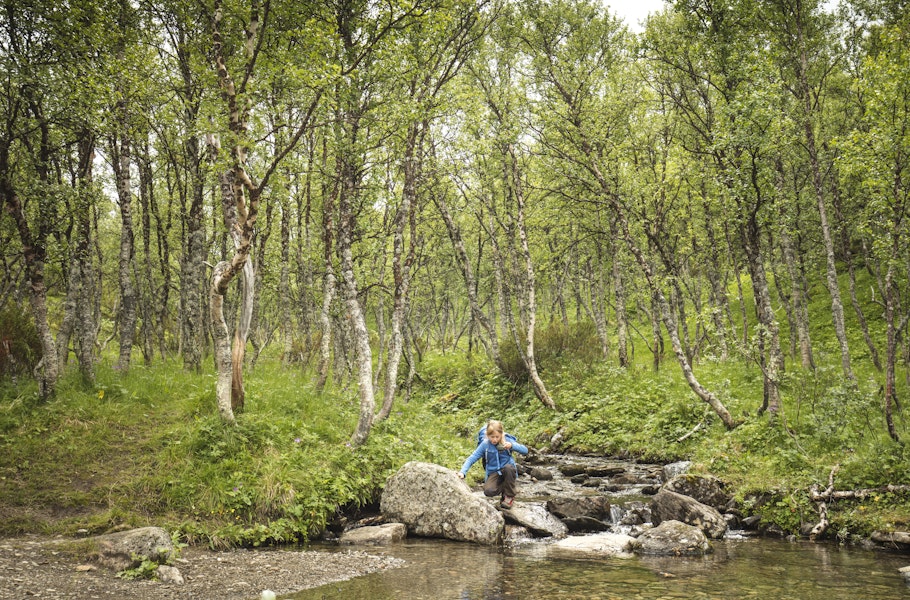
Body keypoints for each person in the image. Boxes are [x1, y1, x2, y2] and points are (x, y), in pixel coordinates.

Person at [457, 420, 528, 509]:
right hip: (494, 472)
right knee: (488, 491)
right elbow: (472, 458)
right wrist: (463, 472)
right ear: (487, 435)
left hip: (508, 470)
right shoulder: (485, 444)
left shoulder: (507, 440)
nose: (494, 440)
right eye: (492, 437)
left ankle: (509, 496)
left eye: (497, 437)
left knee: (508, 468)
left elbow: (525, 450)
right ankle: (505, 489)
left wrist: (512, 445)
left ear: (501, 434)